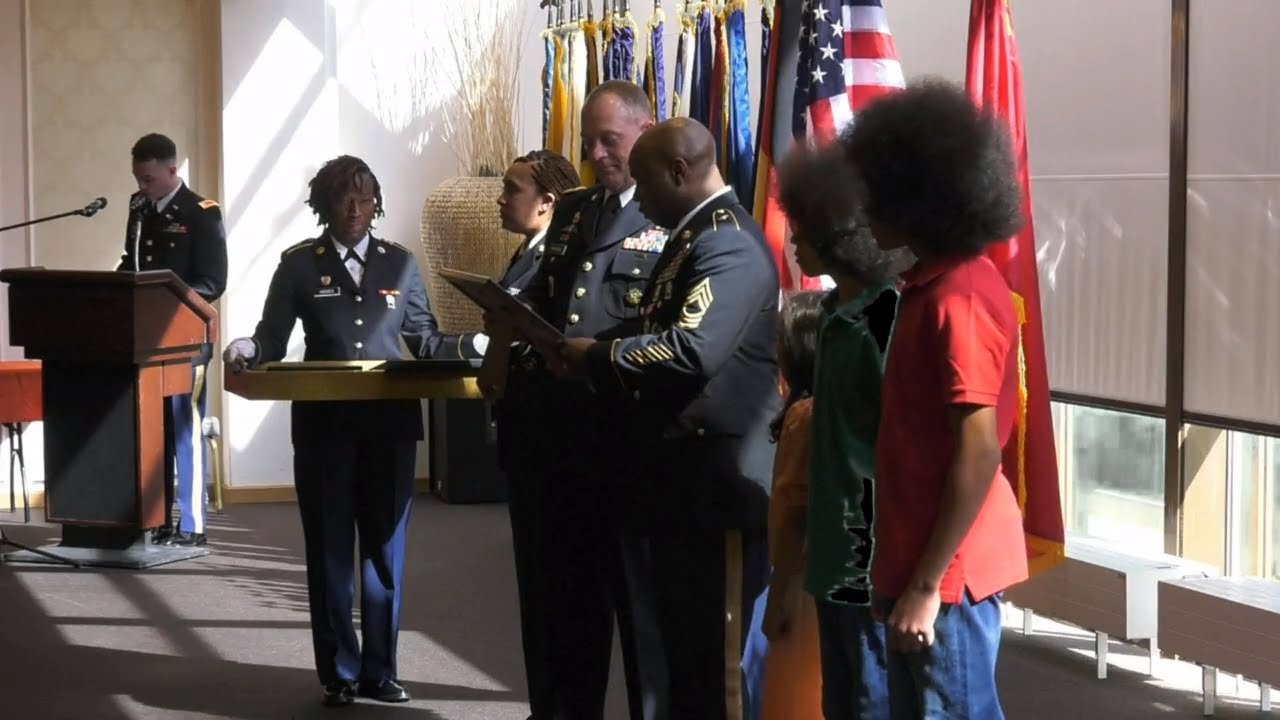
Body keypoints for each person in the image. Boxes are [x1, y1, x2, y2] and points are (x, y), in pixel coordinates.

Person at [558, 117, 781, 719]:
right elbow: (656, 328)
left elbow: (692, 349)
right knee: (683, 655)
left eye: (647, 182)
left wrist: (598, 355)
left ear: (679, 172)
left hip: (718, 484)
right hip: (678, 482)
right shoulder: (692, 238)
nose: (639, 199)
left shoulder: (726, 242)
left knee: (718, 664)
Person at [222, 155, 443, 707]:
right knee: (330, 551)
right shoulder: (299, 264)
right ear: (325, 204)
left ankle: (380, 671)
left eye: (365, 198)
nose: (355, 209)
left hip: (390, 426)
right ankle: (339, 672)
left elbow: (425, 337)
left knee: (385, 551)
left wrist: (478, 347)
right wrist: (247, 347)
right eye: (345, 198)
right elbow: (271, 337)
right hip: (325, 429)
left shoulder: (400, 264)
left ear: (376, 203)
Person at [843, 79, 1028, 719]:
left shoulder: (960, 298)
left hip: (949, 579)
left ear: (916, 197)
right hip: (926, 569)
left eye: (876, 192)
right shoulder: (934, 288)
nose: (864, 207)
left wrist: (925, 585)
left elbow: (979, 452)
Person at [494, 80, 667, 720]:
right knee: (561, 608)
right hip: (558, 441)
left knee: (641, 615)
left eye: (609, 140)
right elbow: (549, 299)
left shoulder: (671, 213)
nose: (595, 154)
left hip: (627, 443)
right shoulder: (573, 210)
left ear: (646, 133)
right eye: (589, 141)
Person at [777, 145, 902, 719]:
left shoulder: (883, 318)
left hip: (869, 552)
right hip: (832, 550)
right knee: (841, 700)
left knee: (871, 699)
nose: (794, 243)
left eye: (804, 231)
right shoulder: (830, 314)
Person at [465, 149, 580, 719]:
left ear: (547, 202)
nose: (501, 198)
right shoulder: (528, 253)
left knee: (555, 588)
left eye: (512, 189)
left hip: (553, 439)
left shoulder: (559, 260)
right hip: (525, 431)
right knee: (534, 585)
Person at [119, 132, 228, 548]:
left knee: (185, 429)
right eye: (137, 178)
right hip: (146, 340)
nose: (141, 186)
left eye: (147, 179)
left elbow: (213, 281)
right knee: (154, 431)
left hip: (186, 341)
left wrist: (166, 301)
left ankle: (193, 524)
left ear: (171, 170)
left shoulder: (202, 213)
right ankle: (160, 518)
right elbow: (132, 262)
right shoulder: (139, 208)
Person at [757, 290, 824, 720]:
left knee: (795, 695)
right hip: (817, 574)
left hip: (799, 581)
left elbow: (796, 512)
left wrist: (777, 594)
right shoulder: (824, 410)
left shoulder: (804, 417)